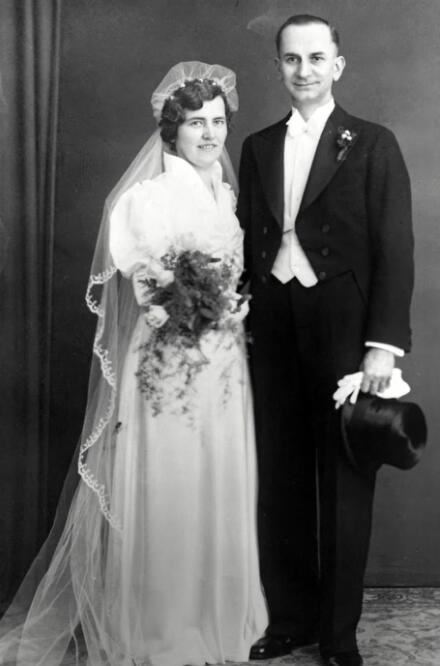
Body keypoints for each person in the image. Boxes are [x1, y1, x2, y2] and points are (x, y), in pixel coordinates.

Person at [0, 61, 267, 666]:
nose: (209, 134)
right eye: (195, 123)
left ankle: (214, 615)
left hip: (223, 360)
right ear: (172, 129)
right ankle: (163, 627)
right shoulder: (147, 198)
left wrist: (230, 307)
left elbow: (230, 276)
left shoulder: (224, 194)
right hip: (169, 362)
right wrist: (185, 305)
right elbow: (148, 291)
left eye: (218, 122)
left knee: (217, 480)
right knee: (172, 483)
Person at [237, 15, 414, 666]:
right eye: (291, 59)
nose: (303, 70)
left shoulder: (372, 142)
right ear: (278, 67)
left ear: (337, 65)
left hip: (344, 328)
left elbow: (396, 248)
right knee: (280, 477)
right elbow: (246, 236)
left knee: (343, 480)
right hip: (271, 326)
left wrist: (382, 345)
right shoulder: (257, 146)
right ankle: (292, 621)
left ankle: (339, 638)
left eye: (316, 58)